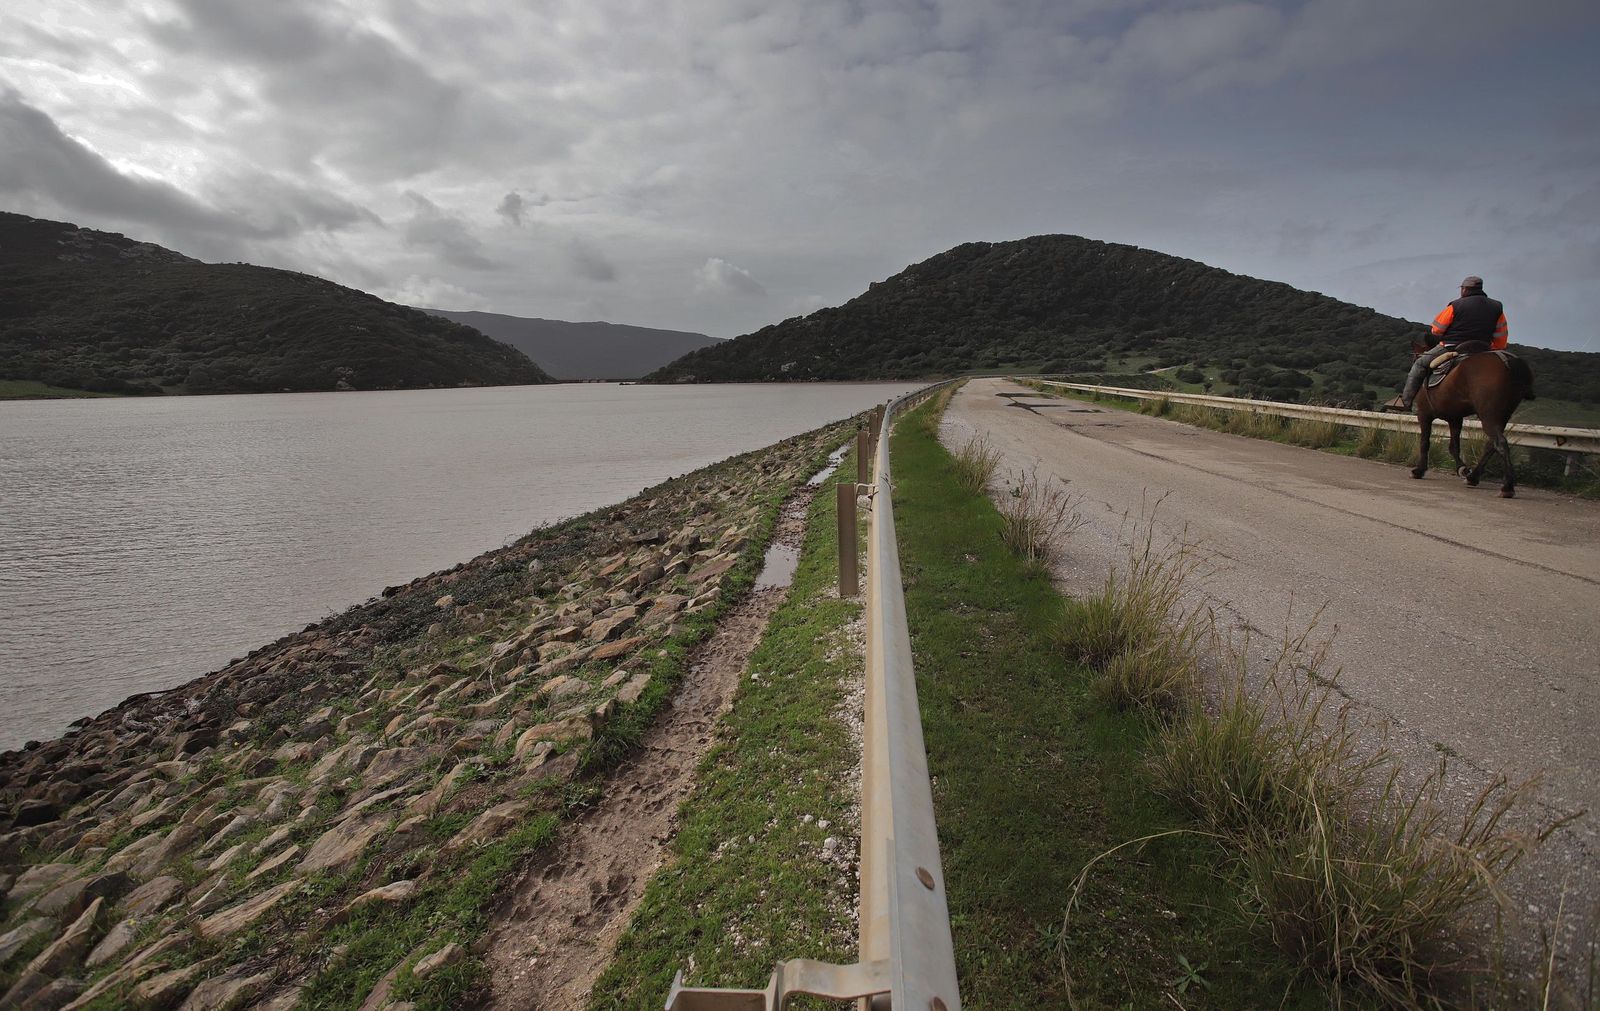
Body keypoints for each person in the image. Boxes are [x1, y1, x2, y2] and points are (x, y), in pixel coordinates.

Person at [1382, 275, 1508, 411]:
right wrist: (1493, 348)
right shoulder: (1497, 307)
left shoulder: (1456, 305)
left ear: (1465, 289)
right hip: (1483, 349)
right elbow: (1501, 335)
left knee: (1419, 363)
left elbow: (1437, 329)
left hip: (1453, 347)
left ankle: (1405, 402)